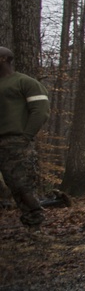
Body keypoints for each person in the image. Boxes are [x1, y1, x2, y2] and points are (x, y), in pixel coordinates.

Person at [0, 46, 50, 234]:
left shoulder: (24, 82)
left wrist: (26, 137)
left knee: (21, 185)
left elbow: (40, 111)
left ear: (4, 59)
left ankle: (34, 225)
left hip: (14, 142)